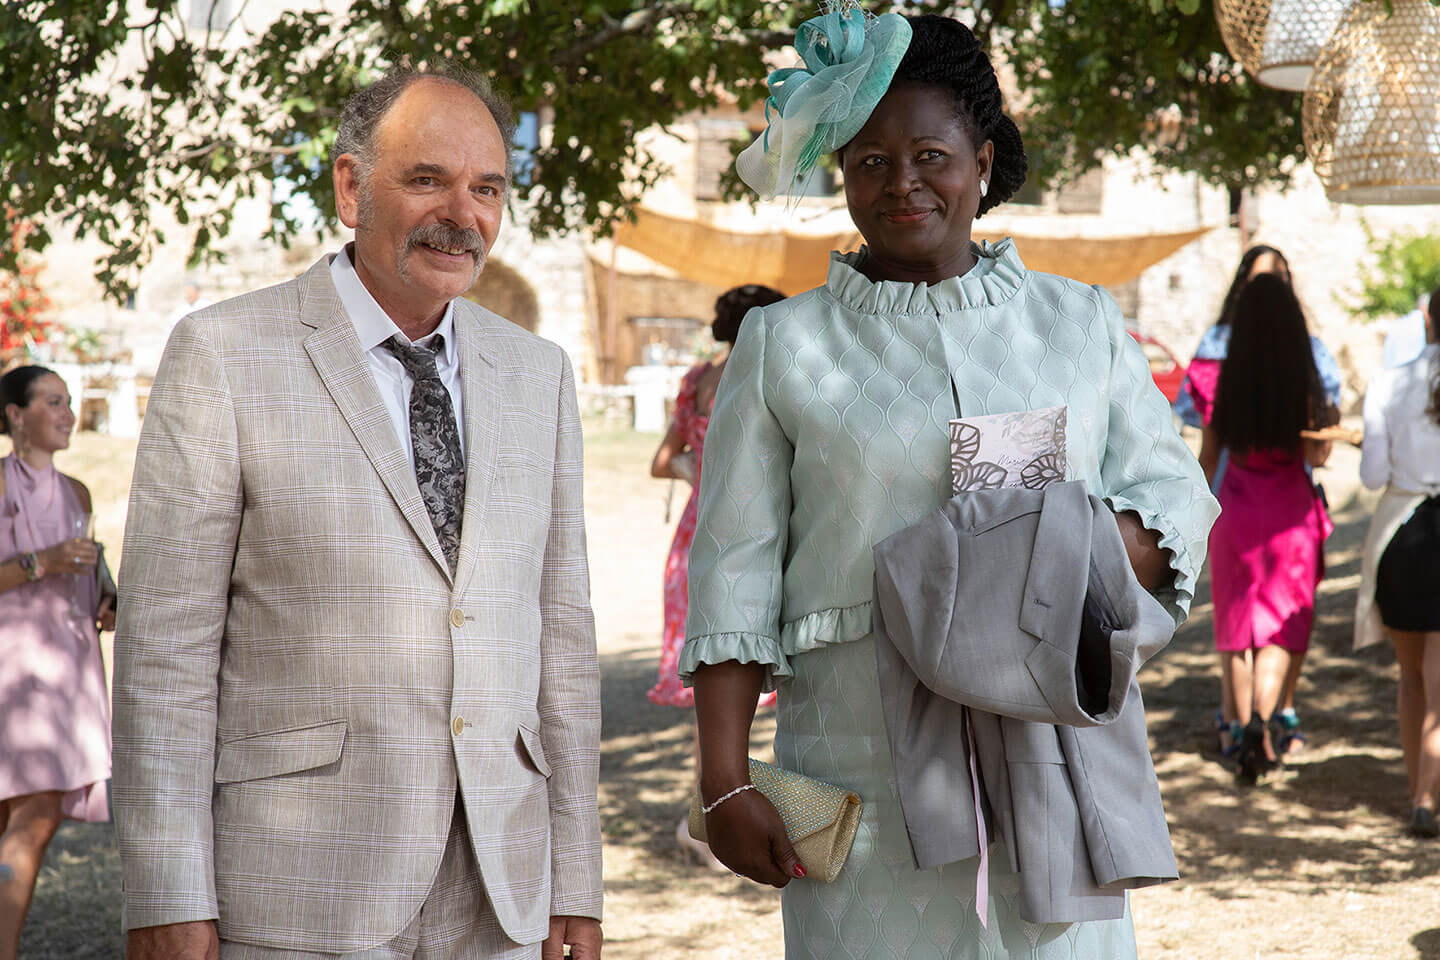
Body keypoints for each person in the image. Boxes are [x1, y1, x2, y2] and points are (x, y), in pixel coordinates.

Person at [681, 13, 1217, 958]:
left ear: (983, 157)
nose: (902, 183)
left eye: (930, 153)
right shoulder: (783, 348)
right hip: (861, 757)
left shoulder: (1081, 323)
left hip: (1050, 739)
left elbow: (1175, 497)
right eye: (869, 162)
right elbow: (735, 571)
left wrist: (1062, 549)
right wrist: (724, 780)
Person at [112, 65, 603, 960]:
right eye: (426, 179)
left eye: (486, 187)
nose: (463, 213)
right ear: (349, 185)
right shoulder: (223, 355)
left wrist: (575, 878)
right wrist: (166, 891)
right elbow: (164, 651)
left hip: (503, 899)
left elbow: (562, 639)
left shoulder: (539, 373)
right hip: (296, 897)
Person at [1174, 244, 1343, 760]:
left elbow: (1207, 457)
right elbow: (1320, 452)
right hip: (1291, 511)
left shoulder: (1222, 377)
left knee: (1236, 624)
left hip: (1236, 510)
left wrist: (1190, 520)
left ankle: (1242, 723)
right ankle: (1266, 723)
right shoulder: (1307, 378)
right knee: (1279, 628)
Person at [647, 284, 785, 866]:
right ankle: (734, 811)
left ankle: (706, 812)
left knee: (712, 685)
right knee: (752, 691)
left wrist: (694, 470)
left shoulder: (698, 380)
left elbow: (661, 461)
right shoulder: (763, 374)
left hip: (694, 537)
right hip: (751, 532)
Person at [0, 365, 114, 960]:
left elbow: (96, 567)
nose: (68, 413)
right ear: (16, 415)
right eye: (53, 401)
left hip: (66, 669)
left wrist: (109, 596)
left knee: (34, 813)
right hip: (12, 670)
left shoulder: (79, 493)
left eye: (69, 401)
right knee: (30, 815)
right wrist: (39, 563)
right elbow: (43, 563)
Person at [1356, 288, 1440, 837]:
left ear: (1428, 317)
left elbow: (1369, 476)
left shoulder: (1389, 381)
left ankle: (1419, 797)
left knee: (1412, 679)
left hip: (1407, 537)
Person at [1381, 293, 1429, 371]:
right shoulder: (1427, 326)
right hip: (1418, 375)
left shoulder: (1397, 324)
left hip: (1395, 375)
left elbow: (1387, 358)